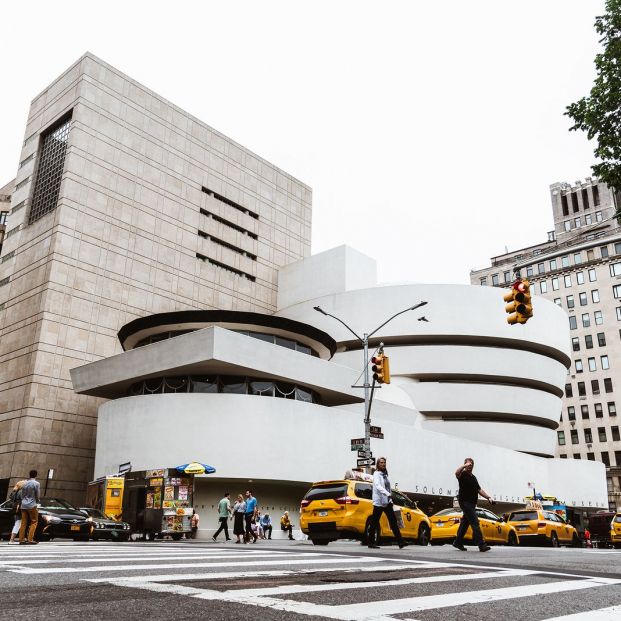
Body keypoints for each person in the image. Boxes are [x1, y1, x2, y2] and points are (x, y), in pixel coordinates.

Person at [453, 457, 494, 553]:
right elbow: (456, 473)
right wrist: (464, 466)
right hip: (464, 502)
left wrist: (488, 497)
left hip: (471, 504)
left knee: (465, 523)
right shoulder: (462, 474)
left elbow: (479, 490)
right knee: (475, 522)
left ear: (473, 466)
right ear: (464, 465)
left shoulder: (474, 477)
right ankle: (481, 545)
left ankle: (457, 542)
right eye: (467, 464)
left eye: (471, 464)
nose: (469, 466)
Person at [367, 456, 407, 549]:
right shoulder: (376, 474)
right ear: (378, 464)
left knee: (393, 522)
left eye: (384, 462)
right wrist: (388, 494)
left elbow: (388, 487)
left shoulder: (385, 475)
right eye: (381, 462)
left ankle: (400, 542)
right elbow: (377, 486)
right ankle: (370, 542)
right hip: (379, 503)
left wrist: (390, 499)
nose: (383, 464)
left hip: (387, 502)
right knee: (374, 522)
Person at [19, 470, 40, 545]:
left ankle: (21, 539)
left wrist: (23, 500)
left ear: (29, 475)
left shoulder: (24, 483)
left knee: (23, 523)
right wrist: (37, 501)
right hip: (32, 505)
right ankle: (30, 539)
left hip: (23, 505)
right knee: (34, 522)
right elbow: (37, 495)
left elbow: (22, 495)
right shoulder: (36, 483)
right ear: (36, 475)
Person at [8, 480, 25, 545]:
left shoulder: (14, 491)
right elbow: (23, 499)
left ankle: (15, 538)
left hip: (15, 508)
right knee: (18, 523)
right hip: (20, 508)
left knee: (18, 523)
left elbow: (11, 498)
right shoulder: (21, 491)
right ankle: (12, 539)